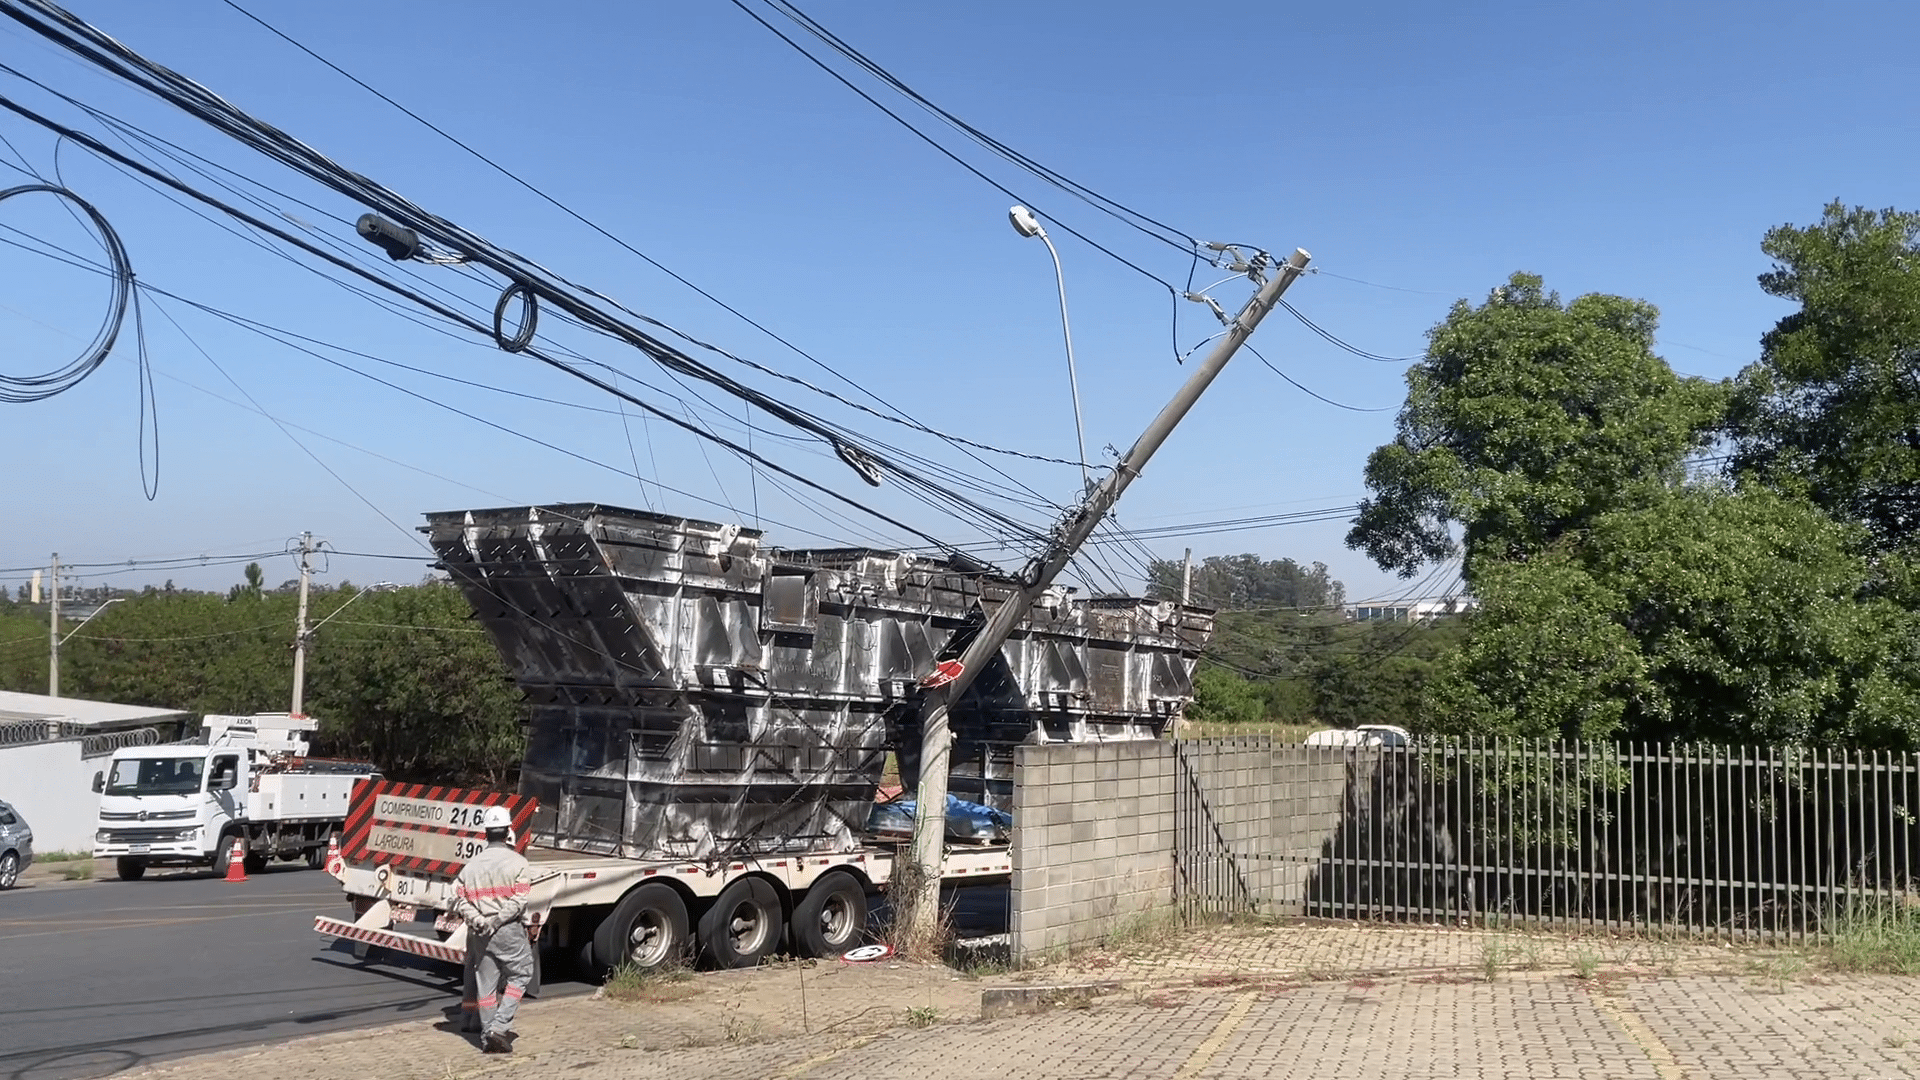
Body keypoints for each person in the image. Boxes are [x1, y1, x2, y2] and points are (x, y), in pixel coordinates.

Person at [451, 805, 533, 1054]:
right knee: (521, 974)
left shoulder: (471, 866)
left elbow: (456, 898)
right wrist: (496, 922)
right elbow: (519, 901)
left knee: (485, 986)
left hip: (479, 932)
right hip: (506, 930)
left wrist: (478, 920)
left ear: (485, 833)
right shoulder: (518, 862)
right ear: (508, 831)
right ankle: (499, 1027)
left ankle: (488, 1037)